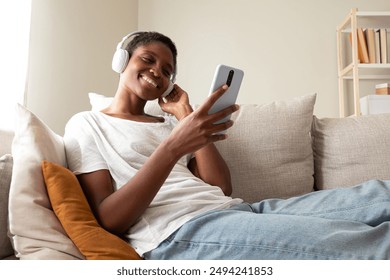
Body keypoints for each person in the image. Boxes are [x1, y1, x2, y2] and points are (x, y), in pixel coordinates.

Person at [64, 31, 390, 260]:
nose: (156, 73)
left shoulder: (170, 124)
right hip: (178, 233)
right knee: (365, 246)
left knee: (381, 194)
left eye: (166, 70)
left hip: (238, 211)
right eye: (147, 60)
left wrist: (186, 116)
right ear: (122, 60)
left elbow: (220, 186)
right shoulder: (87, 123)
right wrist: (173, 147)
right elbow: (108, 218)